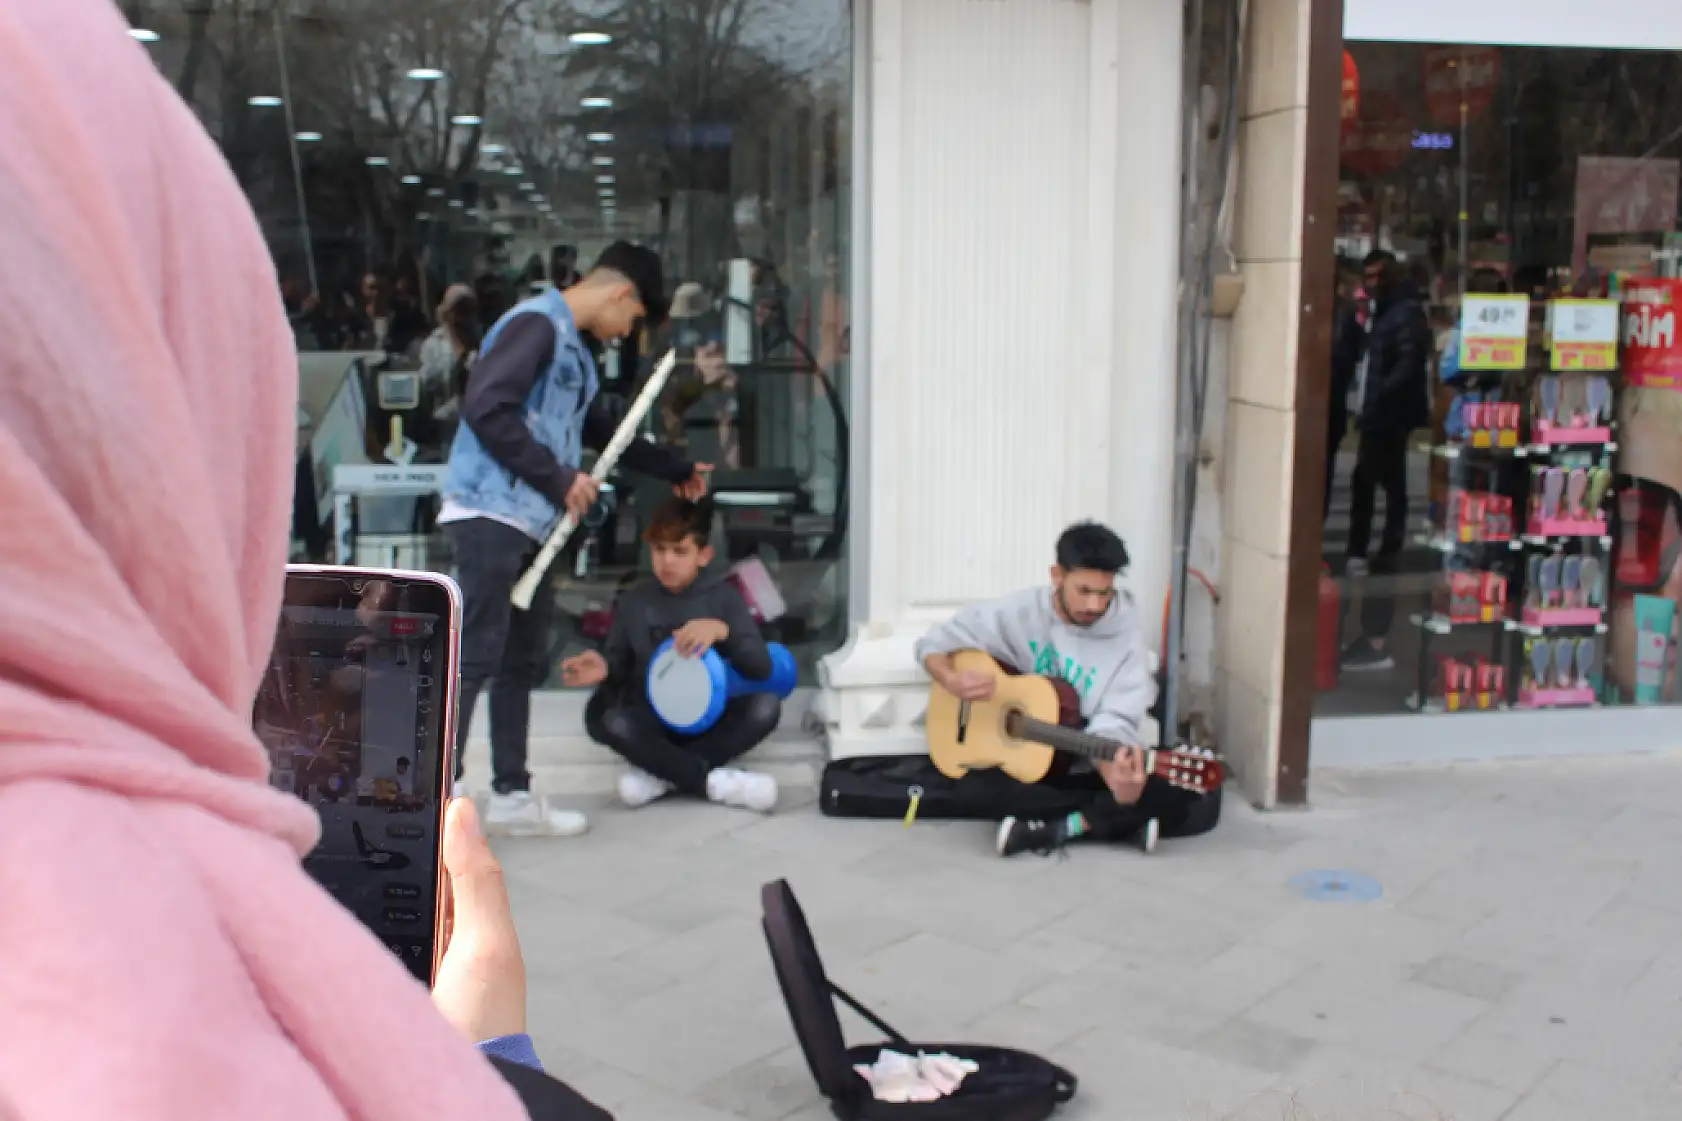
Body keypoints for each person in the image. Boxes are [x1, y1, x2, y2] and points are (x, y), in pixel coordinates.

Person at [0, 3, 600, 1116]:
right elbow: (493, 408)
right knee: (474, 664)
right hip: (500, 515)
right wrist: (498, 1066)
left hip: (506, 514)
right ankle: (501, 784)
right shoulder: (122, 990)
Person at [440, 241, 710, 837]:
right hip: (490, 513)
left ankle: (511, 794)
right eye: (632, 318)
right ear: (621, 293)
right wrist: (559, 477)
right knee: (478, 652)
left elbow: (601, 431)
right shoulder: (536, 325)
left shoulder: (575, 352)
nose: (625, 332)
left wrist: (674, 468)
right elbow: (486, 406)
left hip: (531, 522)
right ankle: (438, 801)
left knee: (519, 659)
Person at [914, 522, 1220, 857]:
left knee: (1178, 789)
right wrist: (950, 678)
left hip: (1081, 759)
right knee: (977, 788)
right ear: (1057, 576)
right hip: (1031, 764)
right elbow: (935, 642)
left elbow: (1116, 719)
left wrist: (1117, 778)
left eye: (1104, 593)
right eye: (1083, 591)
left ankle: (1063, 826)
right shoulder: (1021, 612)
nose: (1094, 605)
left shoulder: (1125, 638)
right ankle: (1115, 820)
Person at [564, 498, 781, 812]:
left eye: (680, 551)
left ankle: (661, 774)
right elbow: (620, 667)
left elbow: (760, 668)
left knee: (766, 707)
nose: (667, 561)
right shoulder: (634, 601)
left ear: (704, 555)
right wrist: (604, 668)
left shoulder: (724, 598)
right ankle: (712, 782)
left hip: (711, 719)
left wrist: (722, 631)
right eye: (659, 550)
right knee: (607, 720)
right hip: (655, 719)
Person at [1341, 249, 1432, 672]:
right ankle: (1366, 547)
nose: (1371, 284)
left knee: (1382, 485)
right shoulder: (1387, 313)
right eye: (1368, 277)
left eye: (1378, 276)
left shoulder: (1402, 314)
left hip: (1389, 416)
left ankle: (1376, 547)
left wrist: (1379, 401)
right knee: (1371, 481)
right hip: (1382, 414)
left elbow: (1407, 364)